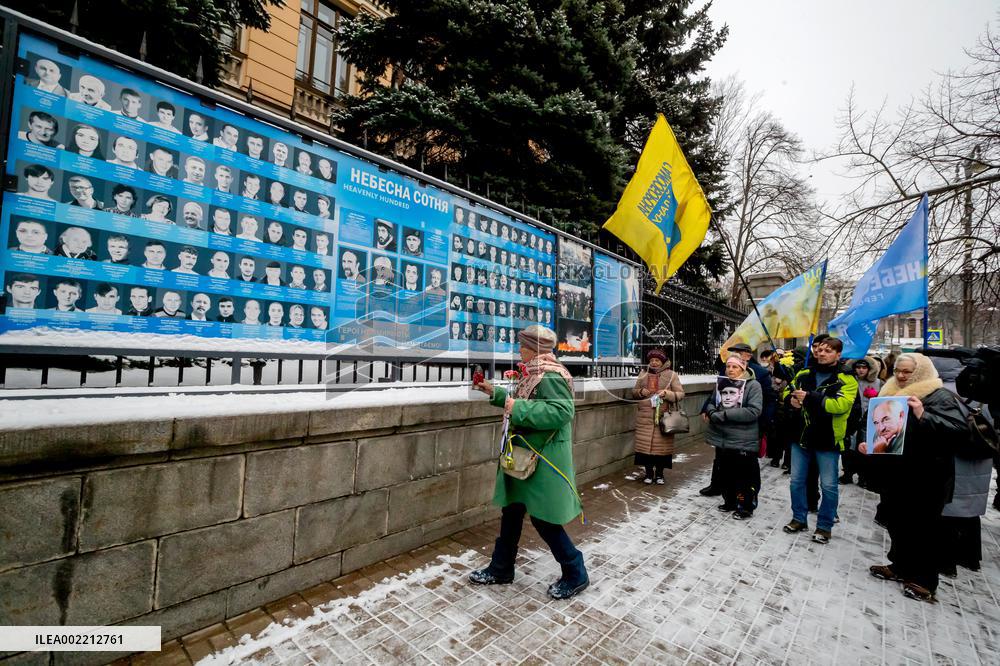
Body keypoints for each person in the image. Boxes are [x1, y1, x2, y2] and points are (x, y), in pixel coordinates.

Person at [470, 325, 588, 600]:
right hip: (523, 457)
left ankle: (576, 571)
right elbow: (521, 401)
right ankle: (501, 568)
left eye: (522, 345)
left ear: (533, 348)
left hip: (542, 460)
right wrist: (494, 393)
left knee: (543, 519)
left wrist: (514, 407)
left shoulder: (550, 375)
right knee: (511, 511)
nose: (518, 350)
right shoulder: (534, 373)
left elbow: (561, 411)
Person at [867, 353, 966, 602]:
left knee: (924, 529)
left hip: (927, 476)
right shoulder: (889, 392)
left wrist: (923, 414)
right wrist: (868, 444)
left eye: (907, 372)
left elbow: (957, 431)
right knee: (897, 522)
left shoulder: (938, 395)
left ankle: (924, 580)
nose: (901, 375)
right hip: (897, 473)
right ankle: (899, 566)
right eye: (898, 370)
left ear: (920, 372)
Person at [783, 337, 858, 544]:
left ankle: (824, 526)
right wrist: (791, 401)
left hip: (828, 441)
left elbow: (840, 406)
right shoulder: (804, 373)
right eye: (819, 350)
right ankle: (799, 518)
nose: (822, 353)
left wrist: (809, 398)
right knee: (797, 481)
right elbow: (788, 392)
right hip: (801, 437)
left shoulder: (847, 379)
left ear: (838, 354)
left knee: (828, 486)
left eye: (828, 350)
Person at [702, 354, 763, 519]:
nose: (730, 369)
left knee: (742, 476)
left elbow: (754, 411)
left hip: (742, 439)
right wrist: (711, 411)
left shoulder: (753, 385)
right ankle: (729, 500)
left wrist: (724, 415)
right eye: (728, 366)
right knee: (725, 472)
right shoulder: (722, 383)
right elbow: (712, 401)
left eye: (735, 367)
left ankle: (744, 504)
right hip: (722, 438)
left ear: (743, 368)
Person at [631, 349, 685, 484]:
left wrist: (667, 393)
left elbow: (680, 394)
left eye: (657, 360)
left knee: (662, 449)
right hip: (645, 417)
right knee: (645, 449)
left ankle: (660, 474)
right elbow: (634, 392)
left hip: (663, 417)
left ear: (663, 362)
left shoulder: (671, 375)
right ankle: (648, 474)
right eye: (651, 360)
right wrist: (641, 392)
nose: (654, 363)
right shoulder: (643, 374)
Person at [842, 357, 882, 484]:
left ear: (869, 369)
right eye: (858, 367)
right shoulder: (849, 381)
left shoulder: (878, 383)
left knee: (866, 448)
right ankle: (847, 474)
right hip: (851, 419)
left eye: (864, 368)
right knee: (848, 449)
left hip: (870, 421)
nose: (860, 370)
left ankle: (863, 477)